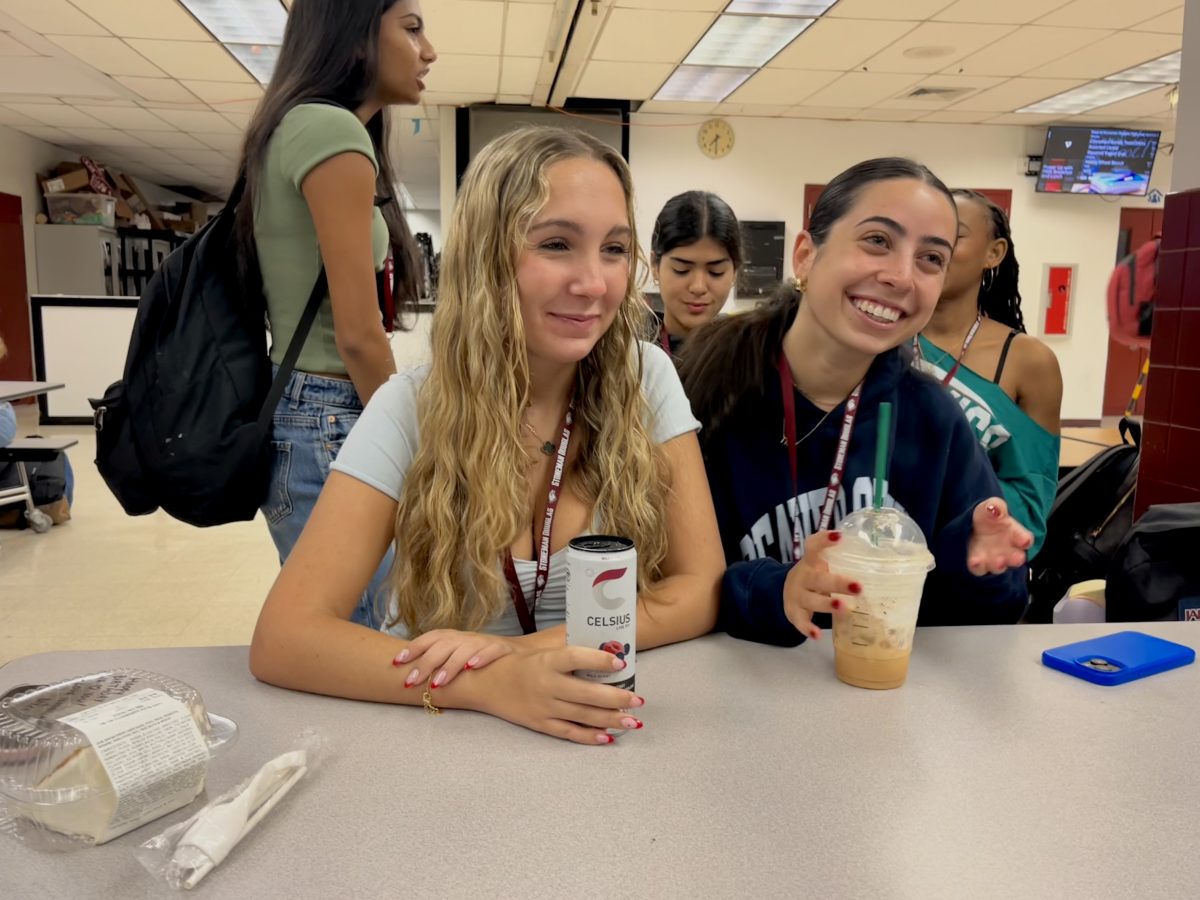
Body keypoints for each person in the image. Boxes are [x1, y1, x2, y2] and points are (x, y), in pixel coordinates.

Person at [249, 126, 725, 745]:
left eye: (614, 249)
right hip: (447, 738)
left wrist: (526, 654)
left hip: (597, 722)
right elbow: (285, 638)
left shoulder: (645, 378)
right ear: (486, 257)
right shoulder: (411, 407)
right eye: (557, 244)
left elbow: (700, 587)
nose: (594, 283)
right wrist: (487, 684)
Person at [677, 158, 1032, 648]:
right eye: (878, 241)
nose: (902, 276)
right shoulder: (703, 394)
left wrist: (972, 559)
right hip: (731, 694)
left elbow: (992, 617)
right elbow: (663, 582)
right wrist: (774, 591)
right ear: (805, 255)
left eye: (931, 258)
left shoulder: (932, 416)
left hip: (877, 699)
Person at [232, 0, 437, 628]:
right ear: (353, 37)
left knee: (355, 626)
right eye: (411, 28)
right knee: (364, 634)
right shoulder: (330, 131)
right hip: (329, 413)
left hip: (301, 408)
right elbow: (356, 335)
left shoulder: (292, 126)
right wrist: (415, 442)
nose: (429, 50)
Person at [915, 190, 1062, 559]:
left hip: (974, 569)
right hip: (881, 563)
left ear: (993, 253)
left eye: (953, 233)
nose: (933, 245)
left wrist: (947, 496)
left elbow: (1030, 503)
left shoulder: (1028, 361)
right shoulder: (879, 341)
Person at [648, 191, 742, 357]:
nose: (698, 287)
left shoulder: (748, 357)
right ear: (655, 265)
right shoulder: (625, 352)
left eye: (716, 272)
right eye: (681, 270)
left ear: (734, 271)